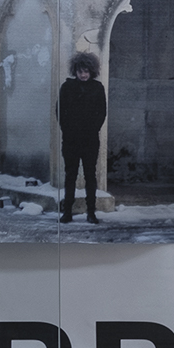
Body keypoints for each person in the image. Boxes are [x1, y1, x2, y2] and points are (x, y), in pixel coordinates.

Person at [57, 51, 106, 224]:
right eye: (80, 71)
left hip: (90, 140)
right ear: (75, 71)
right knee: (70, 175)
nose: (83, 75)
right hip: (70, 140)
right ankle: (67, 212)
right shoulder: (67, 87)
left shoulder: (98, 88)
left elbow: (102, 112)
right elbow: (60, 111)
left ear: (91, 71)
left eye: (86, 71)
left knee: (90, 175)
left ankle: (91, 212)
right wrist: (67, 130)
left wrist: (92, 130)